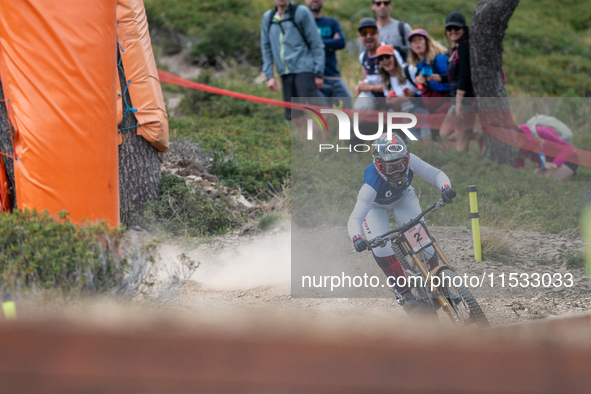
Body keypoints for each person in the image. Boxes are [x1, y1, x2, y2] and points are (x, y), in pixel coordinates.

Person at [347, 133, 456, 315]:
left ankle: (439, 285)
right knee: (381, 248)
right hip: (376, 207)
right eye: (390, 168)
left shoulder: (411, 159)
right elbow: (355, 218)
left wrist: (445, 188)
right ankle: (405, 295)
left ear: (406, 158)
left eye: (400, 165)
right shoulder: (370, 185)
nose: (397, 172)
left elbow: (436, 174)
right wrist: (357, 238)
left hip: (404, 198)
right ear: (379, 165)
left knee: (425, 245)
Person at [261, 0, 325, 135]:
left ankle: (319, 149)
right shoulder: (268, 17)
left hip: (304, 70)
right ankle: (307, 147)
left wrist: (318, 73)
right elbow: (266, 47)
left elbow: (316, 43)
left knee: (311, 112)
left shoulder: (301, 12)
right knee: (295, 115)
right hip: (285, 72)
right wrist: (269, 76)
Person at [439, 11, 481, 152]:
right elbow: (455, 76)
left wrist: (458, 102)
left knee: (461, 147)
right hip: (457, 99)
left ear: (464, 29)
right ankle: (479, 136)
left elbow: (465, 74)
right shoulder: (455, 48)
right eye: (449, 29)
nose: (452, 32)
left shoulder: (464, 46)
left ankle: (462, 171)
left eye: (456, 28)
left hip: (464, 101)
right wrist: (435, 78)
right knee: (444, 133)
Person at [377, 44, 430, 141]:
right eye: (381, 58)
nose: (385, 60)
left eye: (388, 56)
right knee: (417, 149)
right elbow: (397, 110)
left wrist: (409, 96)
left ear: (395, 57)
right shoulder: (385, 82)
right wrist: (391, 103)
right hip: (406, 118)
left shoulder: (409, 70)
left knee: (428, 146)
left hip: (422, 112)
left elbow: (425, 89)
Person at [305, 0, 352, 109]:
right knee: (322, 115)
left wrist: (315, 43)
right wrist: (330, 43)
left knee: (347, 105)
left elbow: (341, 42)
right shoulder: (303, 24)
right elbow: (302, 46)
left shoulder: (332, 22)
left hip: (333, 77)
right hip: (312, 79)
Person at [407, 29, 451, 141]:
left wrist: (428, 81)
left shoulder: (439, 59)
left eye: (420, 39)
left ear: (427, 42)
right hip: (434, 112)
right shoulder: (418, 67)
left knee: (449, 140)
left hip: (447, 107)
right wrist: (412, 96)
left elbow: (451, 83)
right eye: (413, 41)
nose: (417, 43)